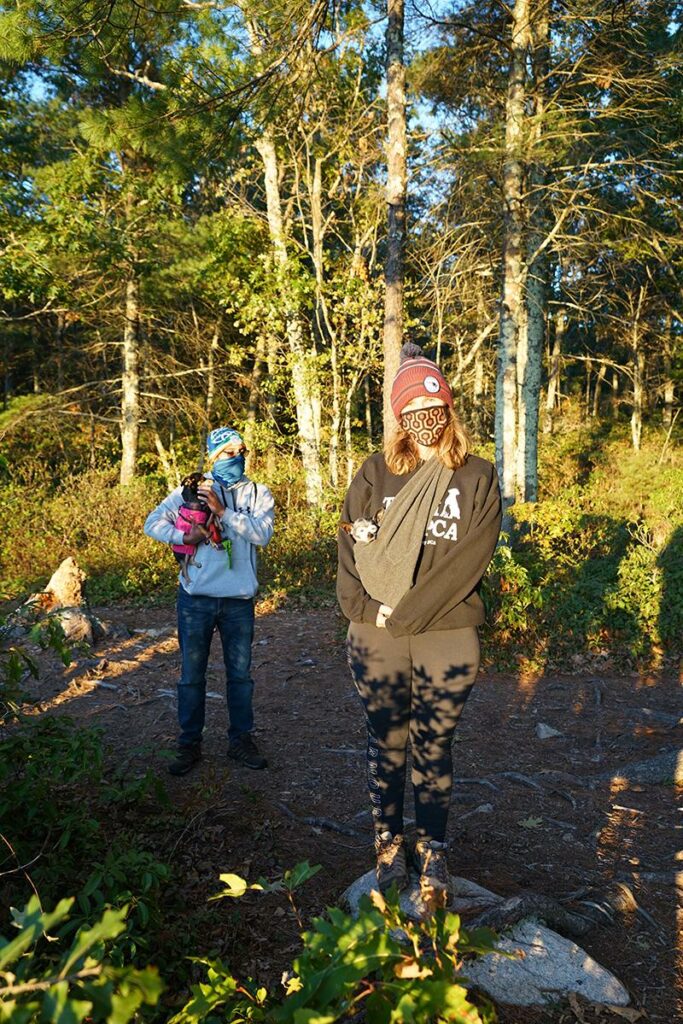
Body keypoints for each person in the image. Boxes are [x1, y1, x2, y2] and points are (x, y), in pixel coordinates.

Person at [337, 343, 501, 906]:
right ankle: (388, 840)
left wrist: (403, 613)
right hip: (376, 631)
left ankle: (433, 847)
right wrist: (365, 609)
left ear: (448, 410)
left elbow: (469, 561)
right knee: (387, 741)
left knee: (435, 743)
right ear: (399, 418)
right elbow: (348, 546)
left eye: (432, 408)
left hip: (446, 632)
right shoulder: (375, 473)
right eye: (412, 411)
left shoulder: (478, 475)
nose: (424, 420)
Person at [144, 427, 274, 776]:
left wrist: (224, 512)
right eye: (230, 452)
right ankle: (189, 744)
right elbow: (151, 523)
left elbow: (262, 535)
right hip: (195, 599)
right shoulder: (191, 490)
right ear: (214, 457)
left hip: (238, 601)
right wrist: (183, 535)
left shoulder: (259, 493)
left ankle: (240, 741)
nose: (238, 457)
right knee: (190, 676)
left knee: (240, 677)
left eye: (242, 450)